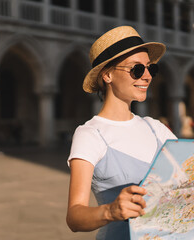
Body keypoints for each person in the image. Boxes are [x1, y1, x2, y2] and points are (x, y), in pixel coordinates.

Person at [66, 26, 177, 240]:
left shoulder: (157, 129)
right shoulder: (90, 134)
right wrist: (110, 211)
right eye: (137, 69)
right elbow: (74, 216)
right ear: (107, 74)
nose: (147, 77)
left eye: (150, 69)